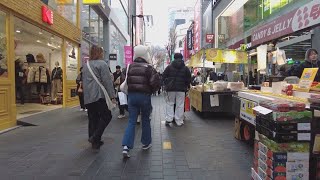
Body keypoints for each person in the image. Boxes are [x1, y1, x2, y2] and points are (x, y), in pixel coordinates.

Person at [122, 45, 160, 158]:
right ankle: (146, 143)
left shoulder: (129, 67)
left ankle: (126, 146)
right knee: (145, 120)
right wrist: (151, 91)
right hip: (144, 96)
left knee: (131, 121)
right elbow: (155, 83)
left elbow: (125, 80)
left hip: (132, 97)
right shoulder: (149, 68)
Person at [83, 45, 116, 150]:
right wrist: (112, 96)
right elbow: (107, 81)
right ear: (99, 53)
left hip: (88, 97)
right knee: (107, 116)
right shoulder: (102, 64)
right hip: (99, 96)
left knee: (93, 118)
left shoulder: (86, 65)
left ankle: (95, 142)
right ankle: (95, 137)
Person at [163, 53, 191, 126]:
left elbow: (163, 76)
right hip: (181, 89)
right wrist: (187, 86)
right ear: (181, 58)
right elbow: (189, 78)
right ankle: (179, 121)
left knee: (170, 103)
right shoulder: (185, 68)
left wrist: (166, 83)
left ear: (174, 58)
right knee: (180, 104)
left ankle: (169, 119)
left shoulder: (169, 67)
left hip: (170, 89)